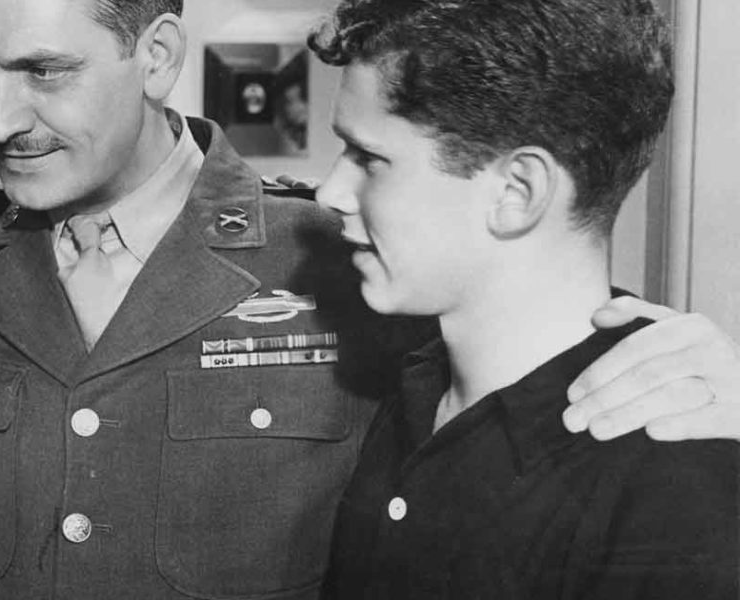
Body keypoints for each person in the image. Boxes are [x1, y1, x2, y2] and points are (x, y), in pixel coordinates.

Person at [0, 0, 740, 597]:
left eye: (45, 71)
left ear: (156, 56)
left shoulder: (334, 261)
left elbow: (530, 319)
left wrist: (696, 367)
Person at [313, 1, 736, 597]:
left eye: (370, 159)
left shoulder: (673, 479)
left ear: (518, 191)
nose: (331, 193)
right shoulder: (415, 385)